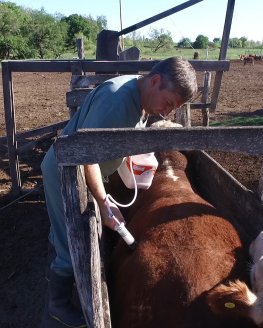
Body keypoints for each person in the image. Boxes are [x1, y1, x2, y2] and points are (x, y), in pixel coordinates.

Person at [41, 56, 198, 327]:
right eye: (169, 103)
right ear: (156, 81)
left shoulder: (137, 95)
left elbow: (110, 140)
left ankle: (59, 265)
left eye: (173, 109)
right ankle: (57, 307)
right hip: (65, 173)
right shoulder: (118, 102)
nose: (166, 113)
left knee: (66, 230)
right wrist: (104, 203)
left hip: (78, 169)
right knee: (73, 236)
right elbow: (87, 155)